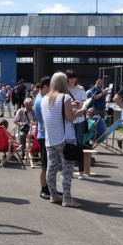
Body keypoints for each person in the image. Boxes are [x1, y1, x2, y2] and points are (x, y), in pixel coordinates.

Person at [41, 72, 84, 208]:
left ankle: (53, 195)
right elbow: (70, 118)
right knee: (67, 169)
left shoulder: (44, 99)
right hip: (65, 138)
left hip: (50, 139)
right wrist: (78, 112)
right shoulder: (64, 97)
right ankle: (67, 198)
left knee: (51, 167)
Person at [33, 76, 52, 199]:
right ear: (45, 87)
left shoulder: (41, 98)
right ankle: (43, 189)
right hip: (44, 135)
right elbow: (45, 120)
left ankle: (49, 188)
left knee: (47, 164)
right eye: (51, 88)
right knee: (45, 165)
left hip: (43, 134)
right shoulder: (41, 100)